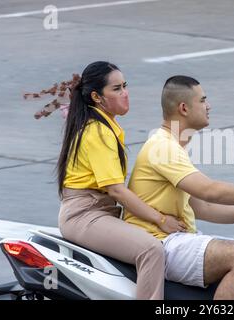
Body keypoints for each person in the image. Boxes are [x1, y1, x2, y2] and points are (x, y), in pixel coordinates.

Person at [124, 75, 234, 300]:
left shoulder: (173, 146)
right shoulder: (164, 147)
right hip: (158, 242)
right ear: (184, 108)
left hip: (179, 237)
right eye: (203, 100)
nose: (209, 106)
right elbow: (210, 191)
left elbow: (203, 207)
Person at [55, 62, 186, 299]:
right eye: (116, 89)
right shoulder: (97, 131)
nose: (125, 93)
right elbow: (116, 190)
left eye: (125, 86)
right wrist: (161, 218)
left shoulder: (106, 123)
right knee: (151, 250)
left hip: (99, 211)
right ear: (97, 96)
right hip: (86, 215)